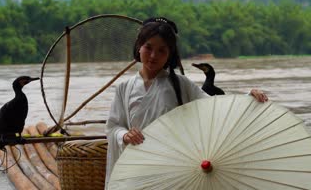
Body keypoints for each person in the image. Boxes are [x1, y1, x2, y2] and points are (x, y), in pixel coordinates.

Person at [105, 17, 268, 185]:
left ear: (169, 55)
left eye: (162, 50)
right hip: (136, 170)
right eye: (148, 47)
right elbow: (113, 127)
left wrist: (248, 98)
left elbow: (215, 108)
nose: (153, 55)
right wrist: (124, 135)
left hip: (171, 171)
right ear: (139, 46)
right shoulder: (124, 88)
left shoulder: (181, 85)